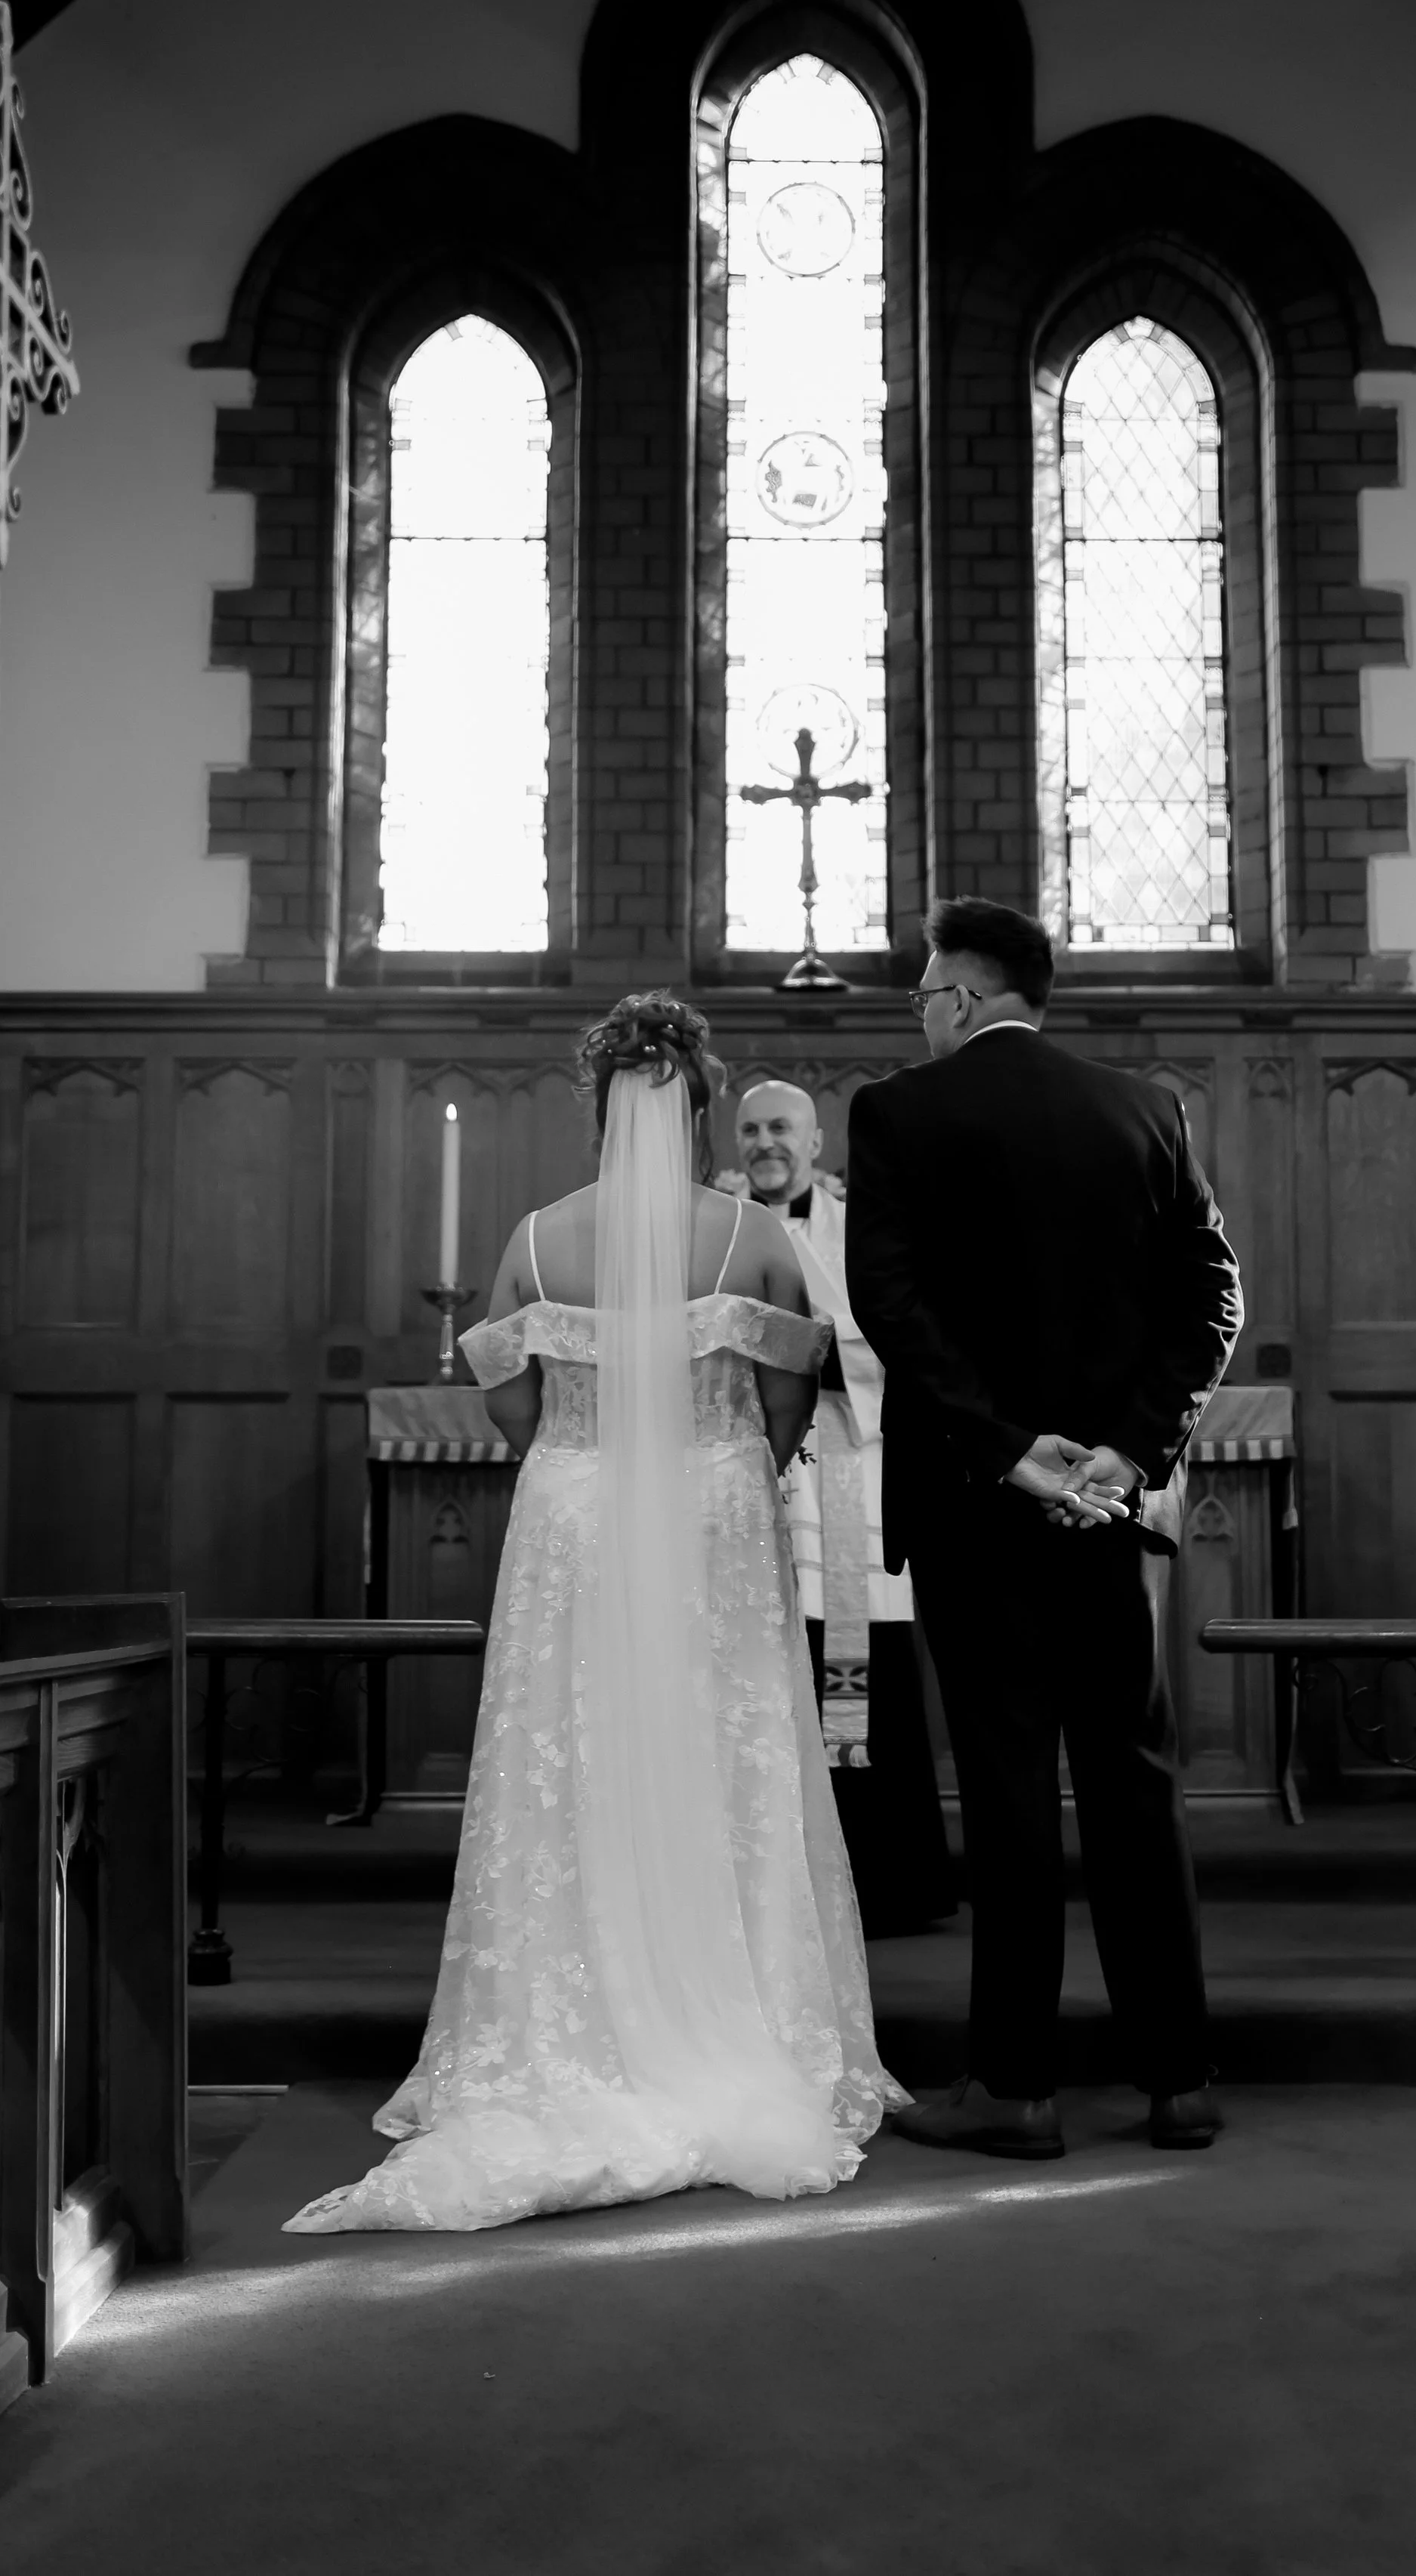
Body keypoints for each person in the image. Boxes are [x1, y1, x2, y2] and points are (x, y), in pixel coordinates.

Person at [287, 993, 905, 2234]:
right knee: (724, 1756)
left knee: (569, 1761)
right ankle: (731, 2015)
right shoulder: (756, 1241)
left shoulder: (534, 1238)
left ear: (598, 1107)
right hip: (714, 1514)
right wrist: (718, 1453)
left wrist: (586, 1447)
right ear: (699, 1107)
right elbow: (788, 1414)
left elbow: (509, 1410)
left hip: (574, 1512)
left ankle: (561, 2030)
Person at [845, 899, 1242, 2160]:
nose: (920, 1011)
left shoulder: (901, 1113)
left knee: (1011, 1783)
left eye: (922, 991)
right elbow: (1212, 1296)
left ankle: (1014, 2087)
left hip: (977, 1507)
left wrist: (1014, 1454)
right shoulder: (1145, 1110)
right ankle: (1175, 2077)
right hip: (1107, 1508)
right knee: (1132, 1780)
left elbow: (894, 1310)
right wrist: (1127, 1450)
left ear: (961, 995)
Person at [730, 1080, 958, 1936]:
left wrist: (811, 1349)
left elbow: (896, 1334)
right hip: (746, 1472)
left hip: (842, 1473)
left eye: (780, 1127)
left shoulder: (858, 1225)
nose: (765, 1142)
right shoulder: (712, 1223)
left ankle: (885, 1878)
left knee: (860, 1677)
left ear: (816, 1139)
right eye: (750, 1128)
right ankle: (766, 1888)